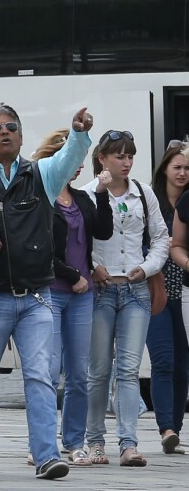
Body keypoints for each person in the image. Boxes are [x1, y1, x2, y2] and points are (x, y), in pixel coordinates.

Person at [0, 103, 93, 480]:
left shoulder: (41, 174)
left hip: (36, 297)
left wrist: (78, 133)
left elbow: (70, 156)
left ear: (22, 136)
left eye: (11, 126)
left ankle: (46, 456)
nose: (4, 132)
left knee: (40, 375)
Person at [80, 130, 168, 468]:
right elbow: (77, 242)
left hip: (136, 291)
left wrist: (146, 268)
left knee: (130, 370)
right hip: (100, 291)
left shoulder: (144, 193)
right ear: (102, 159)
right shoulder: (87, 194)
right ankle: (95, 443)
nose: (127, 162)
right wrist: (92, 266)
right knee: (98, 371)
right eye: (119, 156)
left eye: (130, 156)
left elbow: (161, 237)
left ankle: (128, 444)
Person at [30, 130, 113, 468]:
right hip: (52, 291)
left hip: (82, 296)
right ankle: (43, 443)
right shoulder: (40, 197)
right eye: (72, 159)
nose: (78, 166)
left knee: (79, 372)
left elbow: (103, 232)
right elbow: (41, 251)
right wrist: (73, 276)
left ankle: (74, 441)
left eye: (80, 161)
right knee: (47, 372)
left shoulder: (81, 198)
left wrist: (104, 194)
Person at [145, 143, 189, 455]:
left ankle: (176, 427)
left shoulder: (187, 204)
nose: (183, 173)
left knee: (183, 365)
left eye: (187, 168)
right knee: (163, 360)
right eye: (177, 167)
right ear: (165, 170)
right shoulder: (151, 202)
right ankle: (166, 428)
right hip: (156, 292)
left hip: (183, 293)